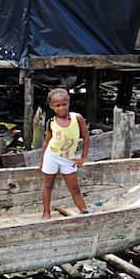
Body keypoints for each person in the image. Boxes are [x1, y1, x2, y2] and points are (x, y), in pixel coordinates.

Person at [39, 88, 90, 219]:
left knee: (75, 188)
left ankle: (84, 211)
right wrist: (42, 160)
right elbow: (47, 141)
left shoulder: (77, 118)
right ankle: (46, 212)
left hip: (68, 159)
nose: (61, 108)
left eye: (64, 104)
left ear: (68, 103)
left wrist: (83, 157)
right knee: (48, 185)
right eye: (57, 105)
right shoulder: (51, 123)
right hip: (52, 156)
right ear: (51, 107)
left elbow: (85, 136)